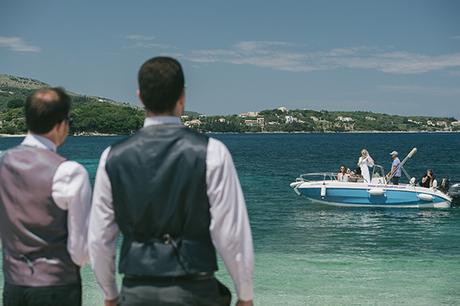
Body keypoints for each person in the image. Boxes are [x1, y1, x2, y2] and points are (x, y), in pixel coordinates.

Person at [88, 57, 254, 306]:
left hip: (136, 289)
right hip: (194, 290)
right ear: (183, 96)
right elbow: (230, 233)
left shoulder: (111, 157)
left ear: (140, 97)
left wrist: (110, 293)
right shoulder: (212, 151)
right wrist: (245, 293)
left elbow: (100, 238)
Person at [0, 88, 91, 306]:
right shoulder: (70, 171)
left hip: (14, 285)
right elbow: (80, 248)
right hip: (57, 287)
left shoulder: (2, 162)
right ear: (61, 125)